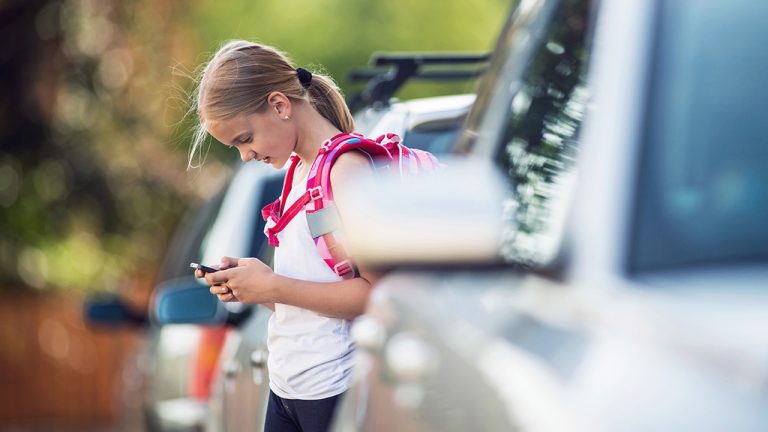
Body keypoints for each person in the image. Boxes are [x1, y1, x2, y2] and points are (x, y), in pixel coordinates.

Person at [188, 40, 377, 432]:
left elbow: (371, 296)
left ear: (279, 105)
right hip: (288, 389)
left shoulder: (346, 171)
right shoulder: (296, 174)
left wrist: (273, 287)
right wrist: (252, 286)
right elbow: (313, 297)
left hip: (333, 390)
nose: (245, 156)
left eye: (244, 139)